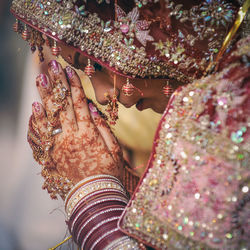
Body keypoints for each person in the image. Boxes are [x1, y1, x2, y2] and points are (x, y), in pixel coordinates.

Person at [11, 0, 249, 249]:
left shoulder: (235, 105)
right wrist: (118, 179)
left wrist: (93, 194)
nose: (102, 95)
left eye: (99, 66)